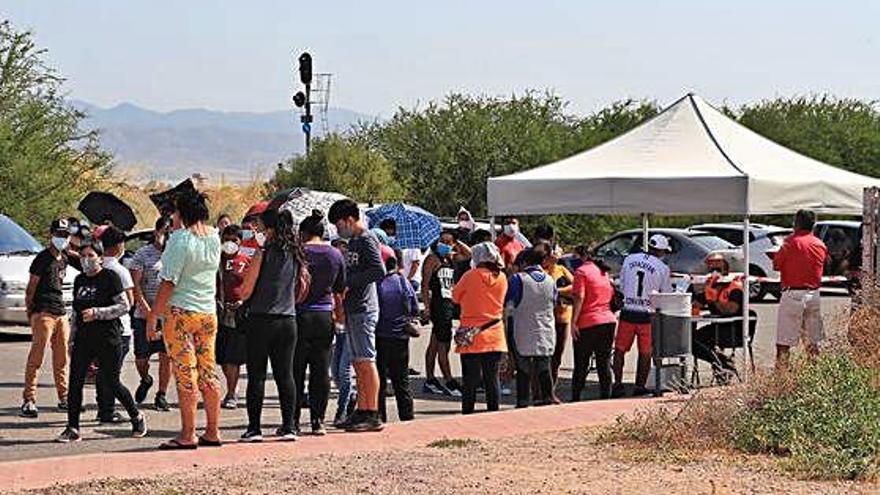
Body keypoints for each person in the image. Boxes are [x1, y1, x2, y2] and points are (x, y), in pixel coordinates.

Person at [148, 191, 223, 449]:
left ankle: (188, 434)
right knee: (208, 371)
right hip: (208, 312)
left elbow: (169, 281)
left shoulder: (180, 240)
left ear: (182, 214)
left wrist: (154, 315)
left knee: (185, 372)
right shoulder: (214, 236)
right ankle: (213, 430)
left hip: (180, 312)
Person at [57, 237, 147, 442]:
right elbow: (77, 314)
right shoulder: (80, 280)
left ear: (100, 258)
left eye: (91, 255)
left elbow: (124, 306)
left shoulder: (110, 277)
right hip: (84, 339)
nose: (86, 259)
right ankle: (72, 427)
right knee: (76, 381)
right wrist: (71, 339)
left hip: (108, 337)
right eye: (83, 255)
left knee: (111, 381)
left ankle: (136, 415)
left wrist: (98, 312)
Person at [238, 208, 305, 442]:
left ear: (271, 229)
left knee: (256, 376)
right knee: (285, 375)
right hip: (288, 319)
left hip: (261, 318)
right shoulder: (296, 254)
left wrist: (239, 294)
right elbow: (301, 287)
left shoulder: (262, 253)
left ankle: (254, 429)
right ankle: (289, 426)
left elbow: (246, 289)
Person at [329, 199, 386, 432]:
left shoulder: (366, 239)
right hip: (353, 308)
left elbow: (378, 270)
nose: (338, 229)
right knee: (357, 361)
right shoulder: (353, 241)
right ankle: (362, 409)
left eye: (339, 223)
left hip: (364, 308)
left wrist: (349, 283)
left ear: (350, 220)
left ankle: (372, 412)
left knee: (365, 360)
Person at [294, 210, 346, 436]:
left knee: (295, 370)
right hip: (325, 316)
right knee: (320, 370)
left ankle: (292, 421)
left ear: (303, 233)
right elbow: (339, 289)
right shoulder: (335, 255)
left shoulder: (298, 253)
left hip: (298, 315)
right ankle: (318, 421)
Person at [20, 219, 72, 418]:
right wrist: (31, 312)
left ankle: (64, 397)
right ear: (51, 235)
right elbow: (31, 288)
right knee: (37, 357)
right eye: (59, 234)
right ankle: (29, 399)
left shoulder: (64, 258)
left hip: (60, 312)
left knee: (61, 359)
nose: (62, 238)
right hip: (44, 312)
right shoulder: (42, 259)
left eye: (65, 235)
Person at [612, 234, 672, 397]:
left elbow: (622, 285)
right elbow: (666, 294)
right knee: (645, 352)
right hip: (647, 314)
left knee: (620, 349)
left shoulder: (629, 259)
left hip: (628, 310)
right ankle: (639, 385)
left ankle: (617, 383)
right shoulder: (662, 268)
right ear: (661, 251)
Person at [452, 242, 508, 414]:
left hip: (471, 335)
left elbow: (455, 297)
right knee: (492, 379)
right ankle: (493, 413)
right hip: (495, 334)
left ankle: (468, 413)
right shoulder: (502, 277)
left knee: (470, 380)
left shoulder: (470, 276)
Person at [129, 218, 174, 412]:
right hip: (144, 313)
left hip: (168, 315)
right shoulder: (142, 254)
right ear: (156, 232)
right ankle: (146, 379)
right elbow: (135, 285)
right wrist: (147, 311)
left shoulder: (176, 253)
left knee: (166, 356)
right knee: (141, 358)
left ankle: (161, 394)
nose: (167, 235)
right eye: (164, 231)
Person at [773, 209, 827, 369]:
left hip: (793, 294)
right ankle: (815, 376)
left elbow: (777, 265)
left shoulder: (790, 242)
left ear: (797, 223)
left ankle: (781, 380)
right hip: (814, 294)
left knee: (784, 342)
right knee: (812, 341)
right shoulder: (820, 244)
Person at [94, 226, 136, 423]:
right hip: (120, 328)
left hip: (99, 324)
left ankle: (104, 408)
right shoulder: (120, 271)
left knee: (103, 370)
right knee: (112, 372)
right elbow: (130, 301)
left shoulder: (97, 267)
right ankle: (109, 410)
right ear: (119, 245)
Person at [506, 247, 557, 408]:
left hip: (522, 328)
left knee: (523, 368)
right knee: (544, 366)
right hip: (545, 328)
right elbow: (554, 302)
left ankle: (523, 402)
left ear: (523, 263)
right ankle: (547, 398)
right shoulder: (550, 280)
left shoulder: (517, 279)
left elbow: (509, 304)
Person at [691, 253, 754, 384]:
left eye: (718, 269)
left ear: (727, 270)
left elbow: (730, 310)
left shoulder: (735, 287)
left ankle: (724, 365)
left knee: (697, 341)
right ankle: (723, 363)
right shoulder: (711, 287)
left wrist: (714, 300)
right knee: (690, 340)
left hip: (734, 330)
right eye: (711, 269)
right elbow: (695, 305)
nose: (714, 272)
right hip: (718, 327)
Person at [421, 232, 471, 396]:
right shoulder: (432, 259)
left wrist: (457, 242)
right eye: (443, 241)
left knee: (436, 342)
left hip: (449, 304)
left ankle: (430, 379)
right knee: (443, 343)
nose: (446, 244)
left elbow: (468, 254)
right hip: (439, 304)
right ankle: (448, 379)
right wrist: (427, 308)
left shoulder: (450, 258)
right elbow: (425, 285)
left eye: (448, 242)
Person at [375, 250, 419, 422]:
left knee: (379, 382)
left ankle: (379, 417)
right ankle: (407, 418)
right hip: (401, 337)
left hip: (380, 337)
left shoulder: (377, 284)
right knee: (402, 381)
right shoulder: (403, 282)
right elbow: (414, 309)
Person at [569, 245, 617, 400]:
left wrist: (573, 322)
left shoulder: (581, 272)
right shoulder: (603, 271)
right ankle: (605, 396)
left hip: (588, 322)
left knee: (581, 364)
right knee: (604, 363)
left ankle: (576, 398)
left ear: (581, 256)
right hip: (608, 320)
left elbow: (579, 297)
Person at [216, 224, 250, 409]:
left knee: (232, 357)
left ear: (240, 241)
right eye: (226, 240)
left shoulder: (247, 261)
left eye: (234, 240)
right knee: (222, 357)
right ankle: (232, 386)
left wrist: (242, 303)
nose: (229, 244)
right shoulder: (215, 261)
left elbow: (252, 285)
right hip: (219, 313)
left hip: (239, 315)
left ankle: (231, 393)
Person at [329, 237, 356, 427]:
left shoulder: (352, 275)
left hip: (350, 324)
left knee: (344, 370)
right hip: (336, 324)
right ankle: (351, 395)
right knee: (335, 371)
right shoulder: (330, 274)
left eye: (344, 251)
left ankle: (342, 410)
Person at [541, 243, 574, 400]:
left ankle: (552, 389)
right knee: (545, 356)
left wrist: (558, 290)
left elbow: (575, 285)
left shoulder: (562, 270)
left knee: (557, 356)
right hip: (546, 318)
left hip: (563, 316)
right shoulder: (542, 271)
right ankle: (542, 391)